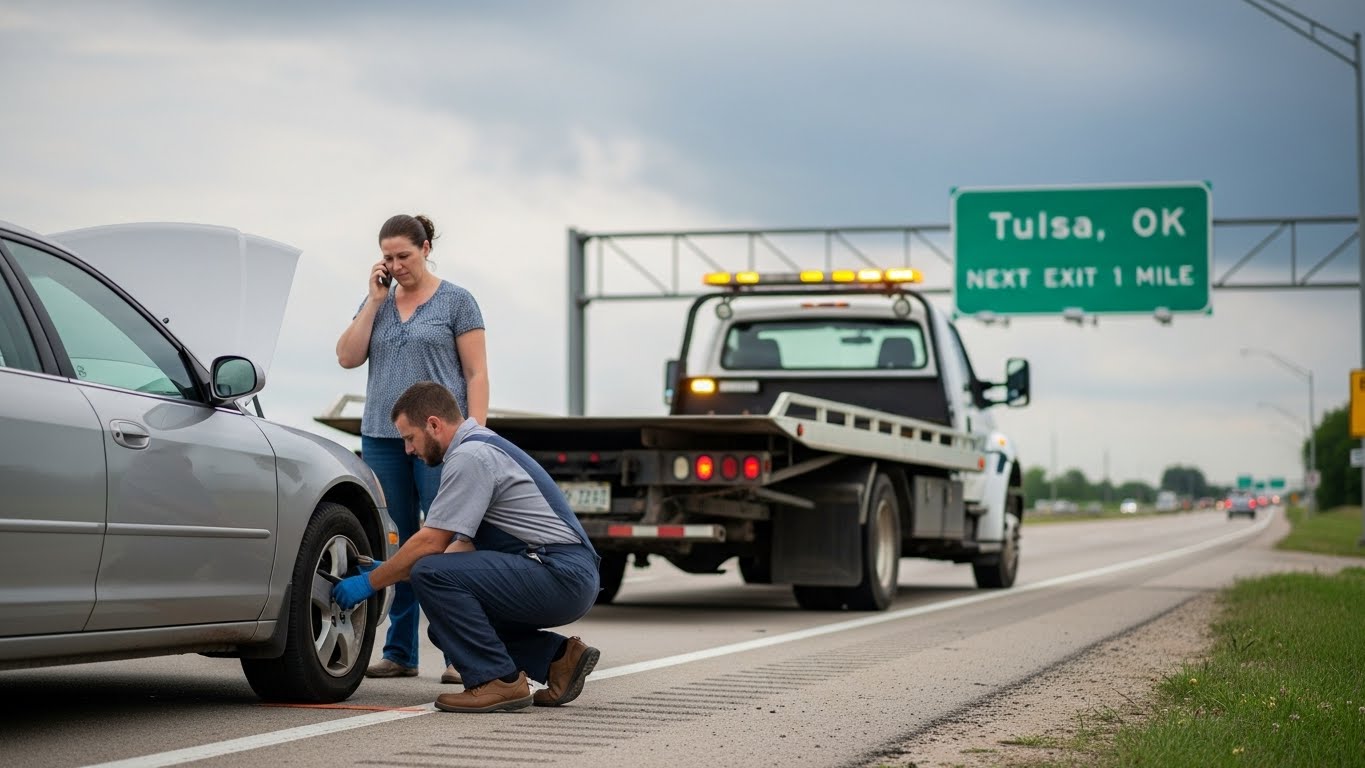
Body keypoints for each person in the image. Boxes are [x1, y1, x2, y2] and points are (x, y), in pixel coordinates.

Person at [332, 381, 602, 713]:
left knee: (429, 573)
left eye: (409, 438)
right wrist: (392, 571)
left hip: (560, 573)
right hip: (563, 573)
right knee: (447, 627)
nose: (408, 450)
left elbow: (431, 544)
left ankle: (497, 680)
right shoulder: (481, 446)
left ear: (433, 424)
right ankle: (558, 660)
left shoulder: (469, 457)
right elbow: (460, 552)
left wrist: (370, 583)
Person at [335, 214, 488, 684]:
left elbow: (476, 374)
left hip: (441, 440)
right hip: (383, 438)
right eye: (388, 257)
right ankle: (400, 651)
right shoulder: (377, 302)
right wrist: (374, 301)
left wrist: (476, 436)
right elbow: (346, 357)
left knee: (448, 541)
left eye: (403, 255)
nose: (396, 264)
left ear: (425, 248)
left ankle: (459, 653)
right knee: (396, 540)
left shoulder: (457, 301)